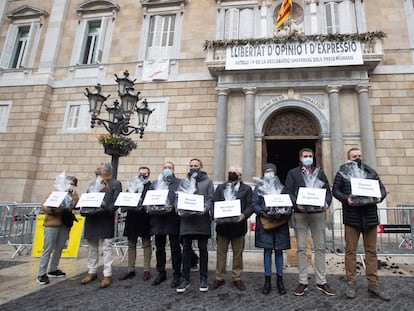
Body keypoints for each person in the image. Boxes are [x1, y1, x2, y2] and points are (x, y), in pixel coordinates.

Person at [332, 147, 390, 301]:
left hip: (370, 217)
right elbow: (335, 190)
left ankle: (373, 283)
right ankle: (351, 281)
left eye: (359, 155)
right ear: (348, 158)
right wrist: (347, 199)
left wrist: (379, 197)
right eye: (354, 156)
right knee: (350, 251)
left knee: (371, 251)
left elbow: (382, 190)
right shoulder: (342, 172)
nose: (357, 158)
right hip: (352, 218)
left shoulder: (370, 172)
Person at [284, 148, 335, 296]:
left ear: (313, 157)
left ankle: (321, 281)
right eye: (305, 156)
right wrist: (296, 204)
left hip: (318, 215)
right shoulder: (293, 173)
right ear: (300, 158)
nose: (308, 158)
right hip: (300, 214)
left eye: (310, 156)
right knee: (301, 248)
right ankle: (303, 281)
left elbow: (327, 192)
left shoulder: (320, 173)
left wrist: (326, 203)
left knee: (320, 247)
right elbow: (288, 191)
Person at [80, 162, 122, 288]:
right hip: (92, 219)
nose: (97, 170)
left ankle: (107, 274)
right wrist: (84, 208)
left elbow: (116, 201)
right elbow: (87, 197)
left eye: (100, 168)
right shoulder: (92, 184)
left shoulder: (115, 183)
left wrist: (106, 209)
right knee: (92, 248)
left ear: (108, 171)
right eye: (97, 168)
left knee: (107, 248)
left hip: (105, 219)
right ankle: (92, 271)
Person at [211, 166, 253, 291]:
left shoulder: (247, 189)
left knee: (237, 254)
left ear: (240, 175)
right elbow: (214, 203)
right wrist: (214, 216)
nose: (231, 174)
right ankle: (219, 277)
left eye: (234, 173)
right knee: (221, 253)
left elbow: (250, 205)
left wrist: (244, 215)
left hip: (238, 226)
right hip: (223, 227)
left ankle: (237, 277)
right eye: (229, 172)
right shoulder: (221, 187)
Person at [176, 158, 214, 293]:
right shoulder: (183, 182)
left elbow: (211, 198)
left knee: (203, 250)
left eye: (196, 166)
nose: (193, 168)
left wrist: (206, 208)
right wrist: (178, 209)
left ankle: (203, 278)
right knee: (186, 250)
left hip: (201, 220)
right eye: (191, 166)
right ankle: (184, 279)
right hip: (186, 221)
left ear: (201, 167)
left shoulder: (208, 182)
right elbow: (177, 198)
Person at [252, 163, 290, 295]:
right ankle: (267, 280)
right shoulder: (259, 187)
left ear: (275, 172)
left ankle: (280, 280)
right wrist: (263, 212)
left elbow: (287, 202)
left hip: (280, 223)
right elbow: (254, 203)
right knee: (267, 251)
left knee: (279, 251)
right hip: (265, 223)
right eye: (267, 171)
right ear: (263, 173)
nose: (269, 173)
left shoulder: (282, 187)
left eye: (271, 171)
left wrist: (284, 211)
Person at [37, 175, 79, 285]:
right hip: (52, 224)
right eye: (69, 183)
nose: (71, 185)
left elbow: (76, 205)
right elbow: (44, 206)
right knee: (48, 249)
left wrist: (72, 195)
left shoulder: (73, 194)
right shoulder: (53, 193)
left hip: (65, 224)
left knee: (59, 248)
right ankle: (41, 273)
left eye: (73, 184)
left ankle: (53, 269)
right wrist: (53, 209)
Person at [148, 161, 182, 288]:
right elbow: (149, 198)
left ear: (174, 169)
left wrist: (174, 207)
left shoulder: (179, 183)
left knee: (175, 248)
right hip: (158, 220)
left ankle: (177, 273)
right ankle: (161, 272)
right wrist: (149, 207)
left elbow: (181, 199)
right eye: (165, 167)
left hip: (173, 220)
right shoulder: (155, 184)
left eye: (170, 168)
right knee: (159, 248)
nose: (167, 169)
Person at [119, 166, 153, 282]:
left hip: (145, 218)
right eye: (141, 173)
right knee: (131, 244)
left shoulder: (151, 186)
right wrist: (123, 207)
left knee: (146, 244)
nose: (142, 175)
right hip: (132, 218)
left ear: (148, 175)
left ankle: (147, 269)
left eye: (145, 173)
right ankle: (130, 269)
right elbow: (125, 198)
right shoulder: (131, 186)